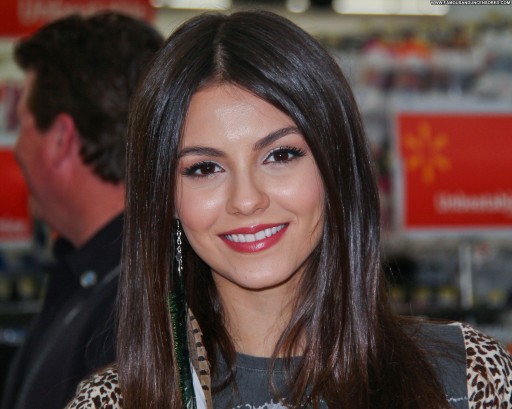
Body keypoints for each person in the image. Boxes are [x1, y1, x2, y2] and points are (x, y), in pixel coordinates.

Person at [66, 10, 512, 409]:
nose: (246, 200)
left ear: (336, 166)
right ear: (165, 199)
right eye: (204, 168)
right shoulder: (113, 403)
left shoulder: (468, 379)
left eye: (280, 155)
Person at [1, 12, 163, 409]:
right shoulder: (102, 282)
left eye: (22, 125)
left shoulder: (129, 315)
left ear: (60, 138)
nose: (17, 148)